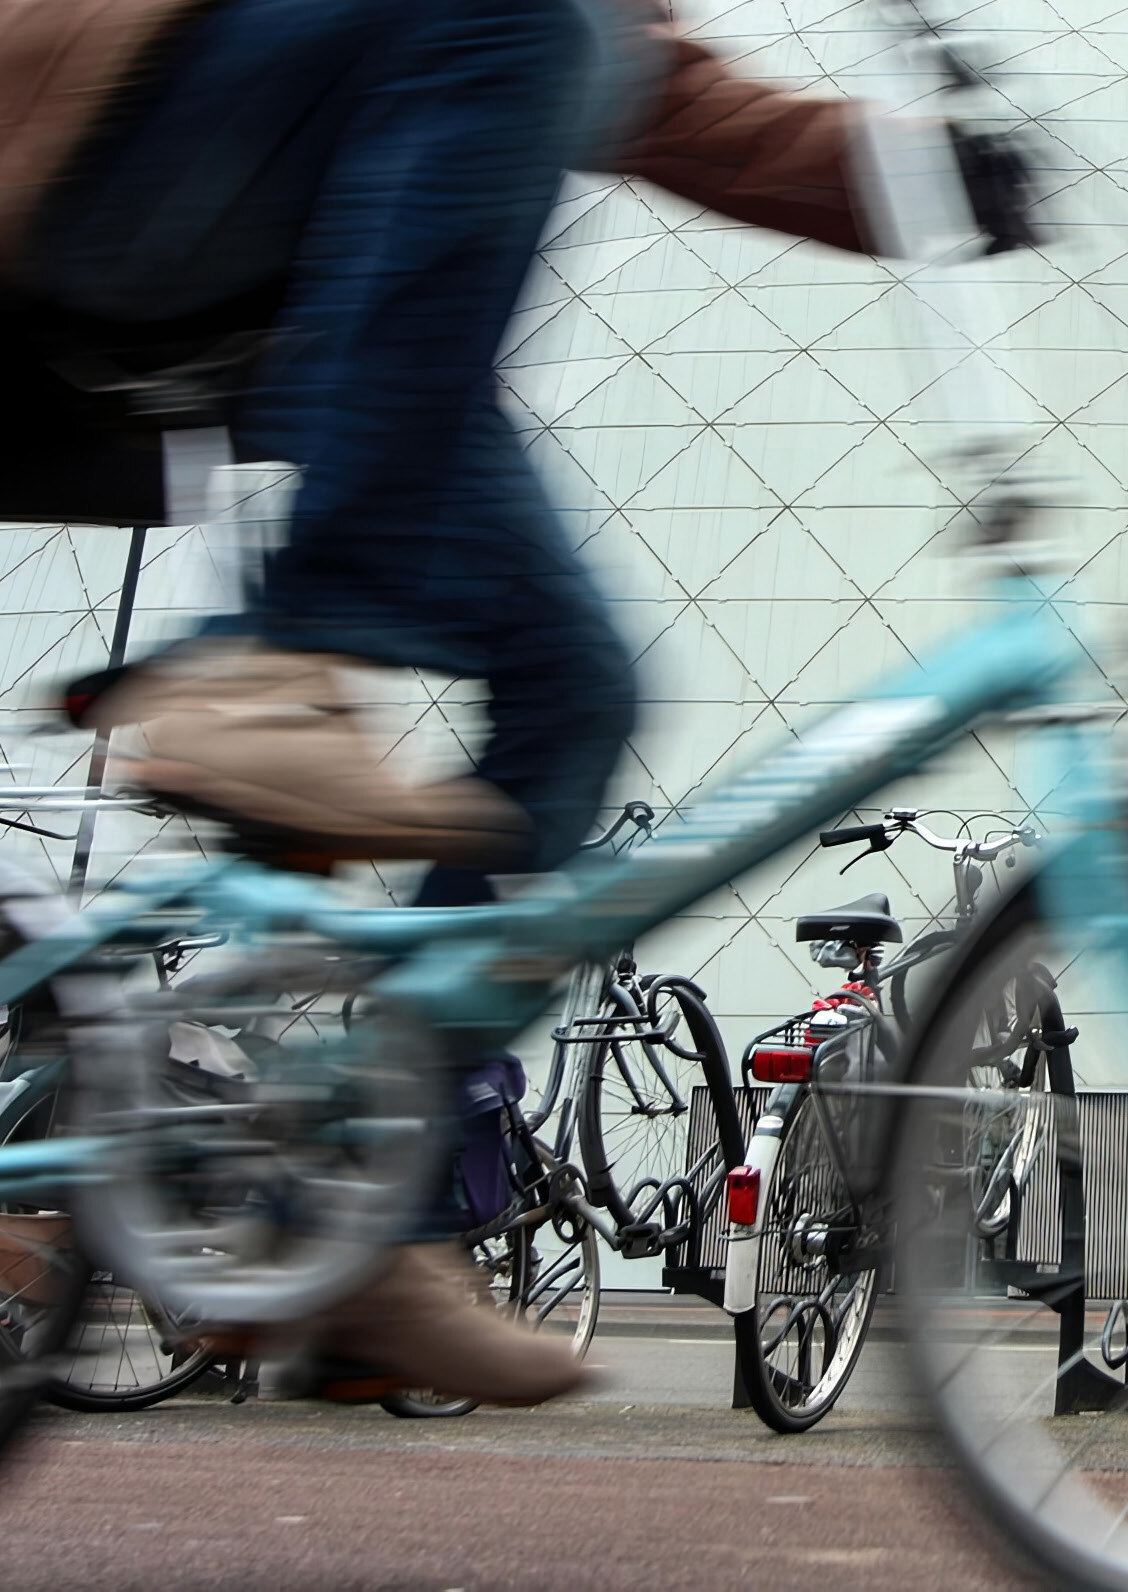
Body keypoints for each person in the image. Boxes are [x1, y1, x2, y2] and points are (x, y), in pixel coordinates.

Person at [0, 0, 1032, 1403]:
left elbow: (676, 103)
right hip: (98, 160)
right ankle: (278, 660)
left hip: (309, 313)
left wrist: (923, 171)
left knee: (575, 688)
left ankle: (365, 1221)